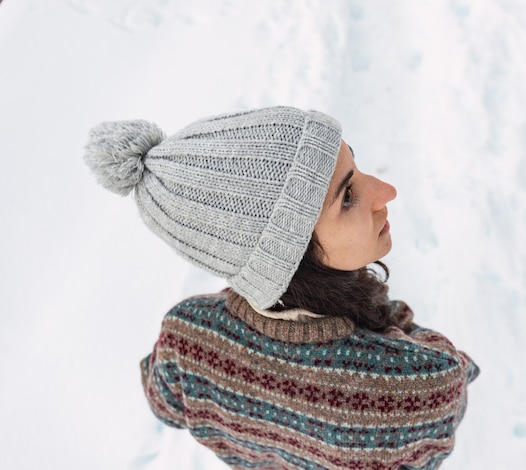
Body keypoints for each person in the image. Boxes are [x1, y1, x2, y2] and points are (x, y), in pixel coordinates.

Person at [84, 106, 479, 469]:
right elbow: (453, 391)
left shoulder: (184, 335)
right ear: (288, 258)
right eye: (347, 197)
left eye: (355, 168)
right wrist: (386, 316)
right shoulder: (418, 380)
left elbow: (164, 400)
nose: (385, 191)